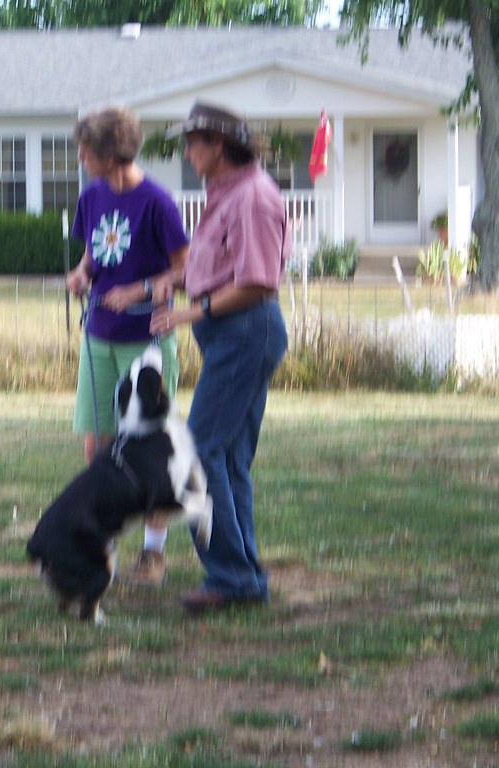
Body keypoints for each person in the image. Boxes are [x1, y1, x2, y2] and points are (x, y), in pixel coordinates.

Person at [150, 102, 289, 614]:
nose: (186, 152)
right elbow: (219, 267)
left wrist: (193, 312)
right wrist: (174, 280)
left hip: (244, 331)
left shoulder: (251, 198)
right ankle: (243, 575)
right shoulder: (226, 194)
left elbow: (256, 282)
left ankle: (231, 576)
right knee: (227, 460)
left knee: (197, 453)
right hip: (233, 334)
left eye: (192, 142)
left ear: (218, 145)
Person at [65, 104, 190, 587]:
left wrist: (138, 289)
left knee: (148, 447)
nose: (80, 156)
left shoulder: (157, 201)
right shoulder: (93, 194)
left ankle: (154, 553)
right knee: (98, 444)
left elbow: (185, 266)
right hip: (99, 336)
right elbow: (95, 253)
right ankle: (104, 542)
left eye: (87, 149)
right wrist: (82, 274)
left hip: (148, 340)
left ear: (111, 153)